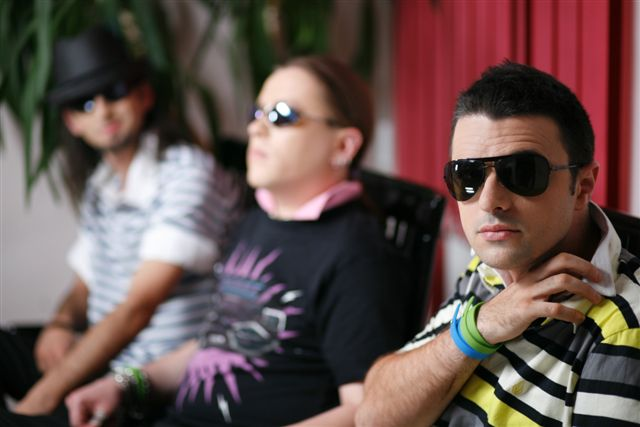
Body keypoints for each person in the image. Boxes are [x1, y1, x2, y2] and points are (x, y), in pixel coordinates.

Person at [61, 55, 409, 427]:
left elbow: (364, 409)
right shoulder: (258, 219)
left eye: (282, 115)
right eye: (256, 113)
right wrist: (126, 385)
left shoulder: (357, 255)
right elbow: (216, 343)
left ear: (342, 147)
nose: (257, 128)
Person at [356, 61, 640, 426]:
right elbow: (374, 415)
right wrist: (479, 328)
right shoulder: (490, 266)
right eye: (468, 175)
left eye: (523, 173)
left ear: (582, 187)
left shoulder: (623, 328)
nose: (489, 202)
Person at [0, 25, 241, 422]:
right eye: (85, 103)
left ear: (144, 96)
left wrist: (42, 398)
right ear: (72, 122)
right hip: (104, 358)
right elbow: (85, 282)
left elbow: (138, 307)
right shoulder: (102, 184)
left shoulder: (186, 172)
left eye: (113, 92)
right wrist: (60, 324)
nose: (103, 111)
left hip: (152, 378)